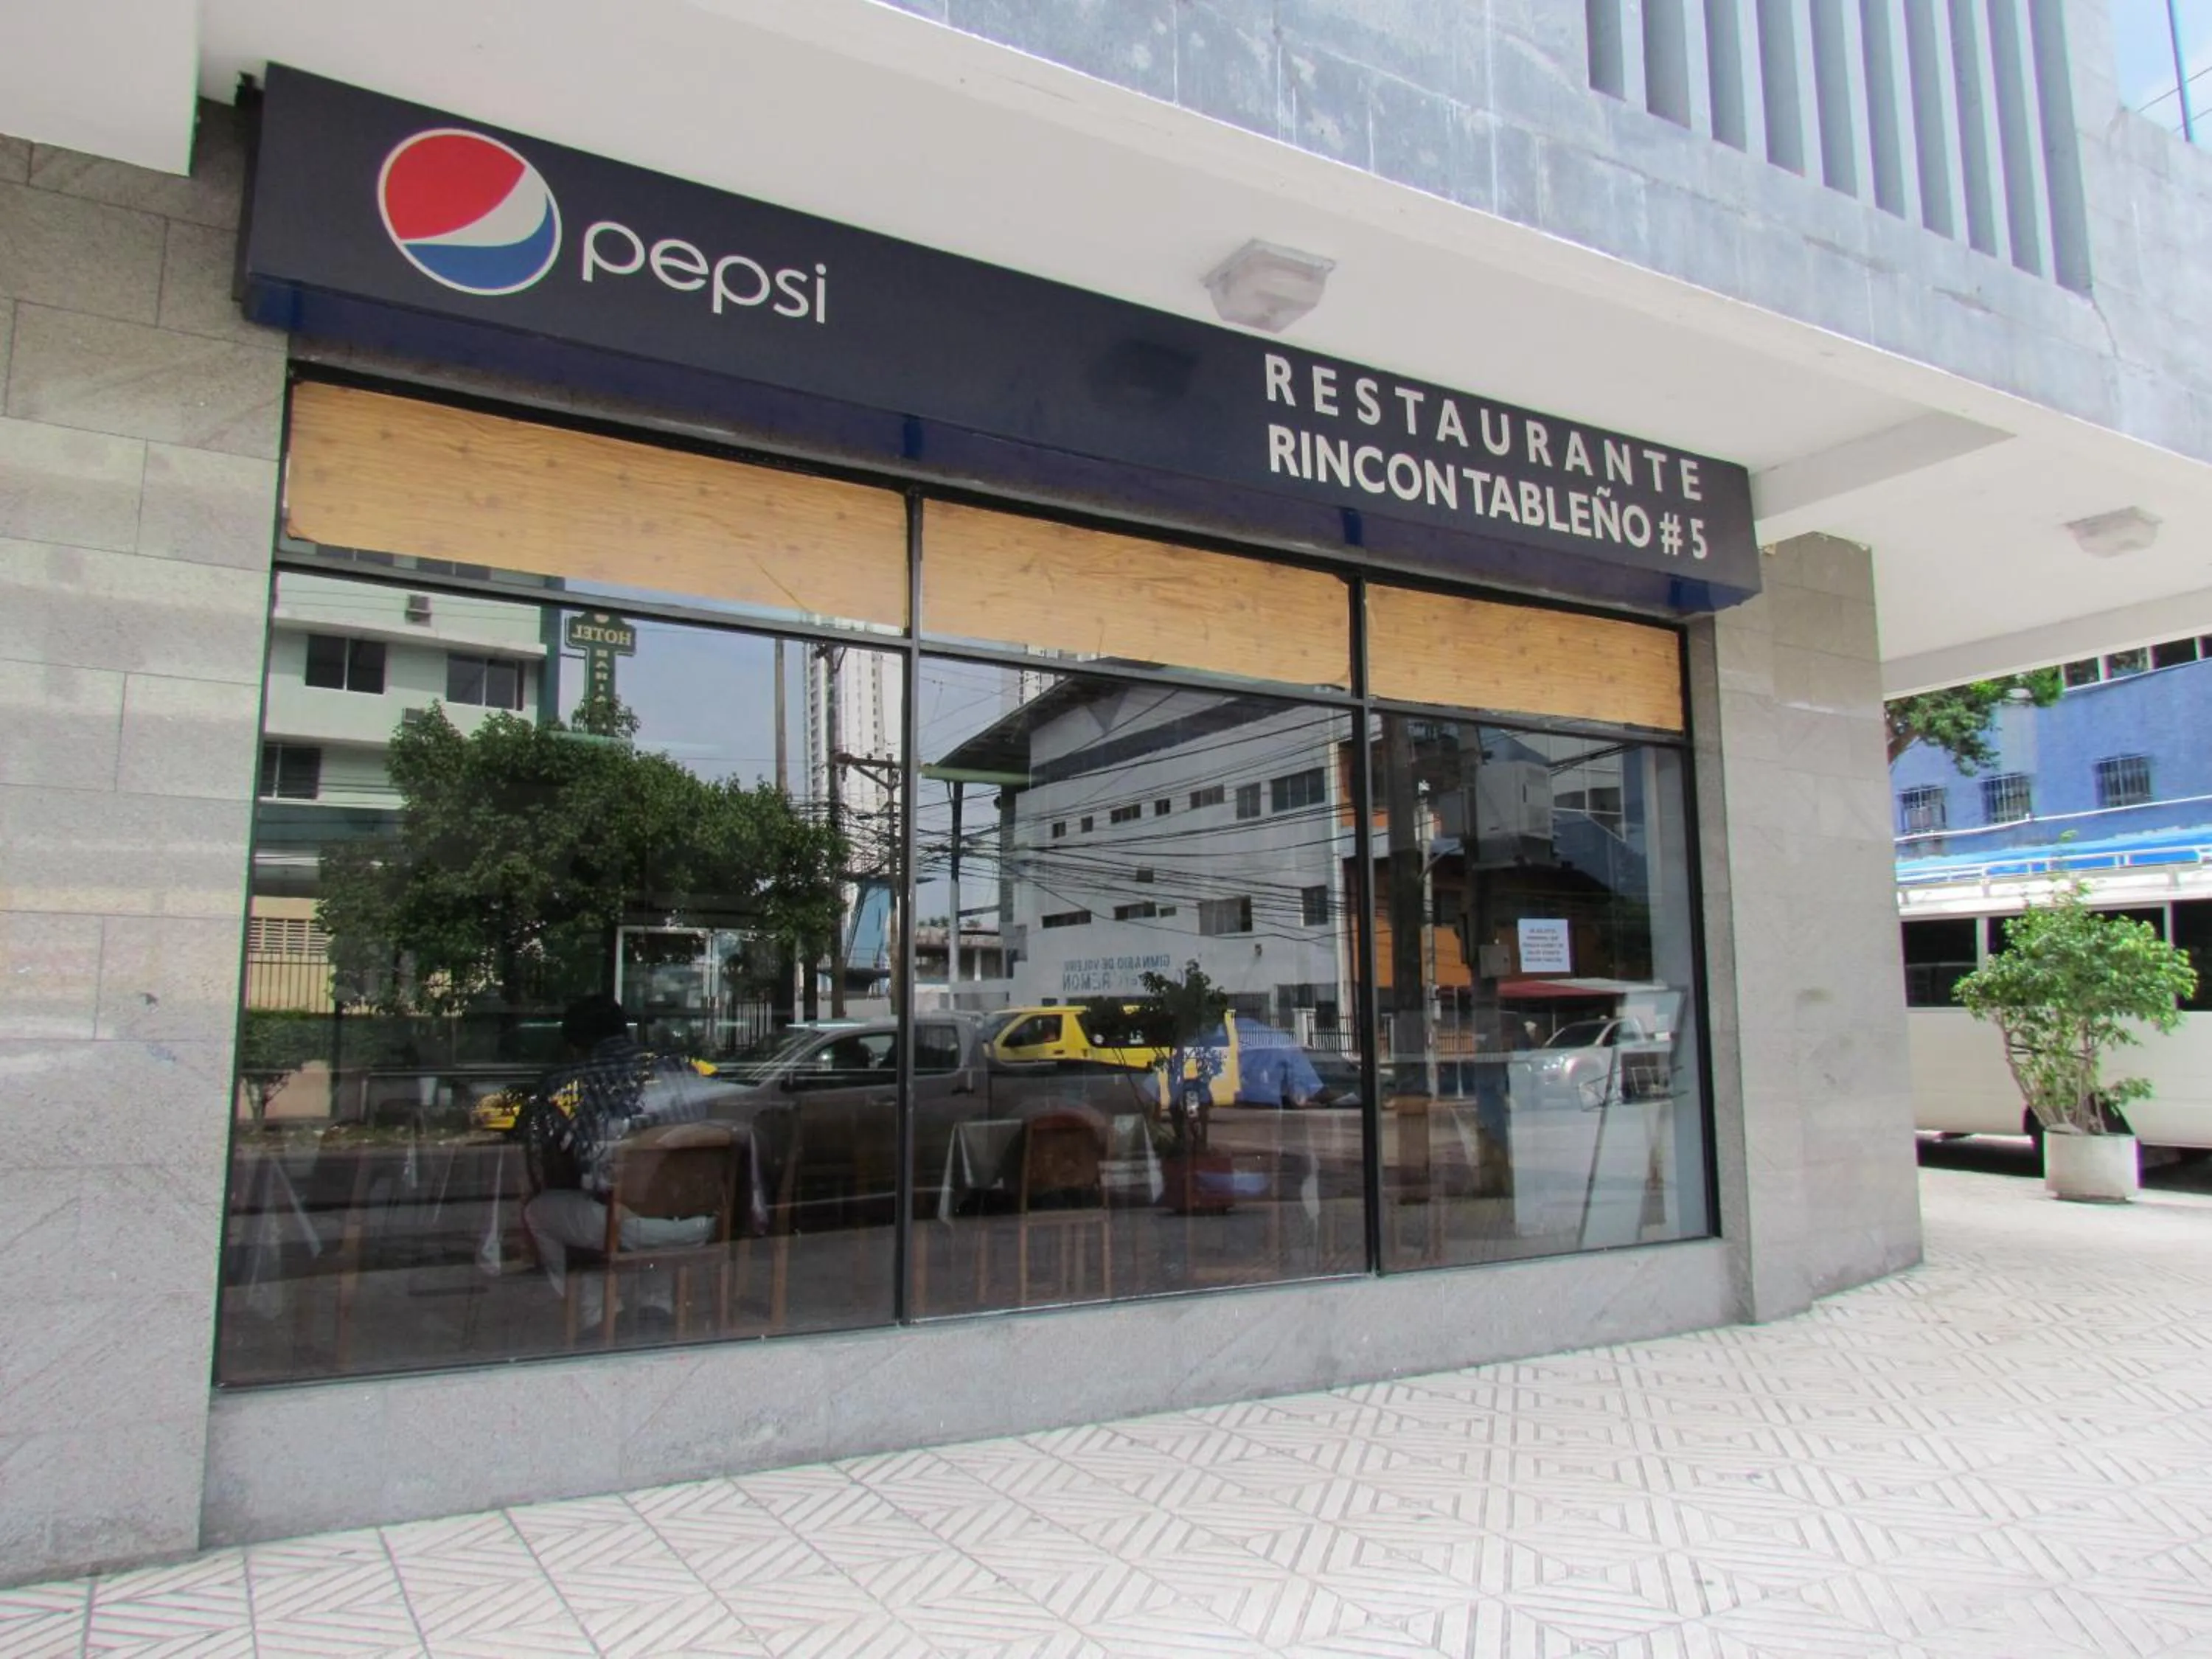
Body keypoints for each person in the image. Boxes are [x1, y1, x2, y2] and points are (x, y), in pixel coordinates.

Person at [521, 993, 716, 1328]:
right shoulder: (678, 1066)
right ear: (624, 1031)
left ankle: (594, 1315)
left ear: (573, 1044)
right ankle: (657, 1306)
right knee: (651, 1197)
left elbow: (546, 1152)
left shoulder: (571, 1080)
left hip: (626, 1224)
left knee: (541, 1211)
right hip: (701, 1222)